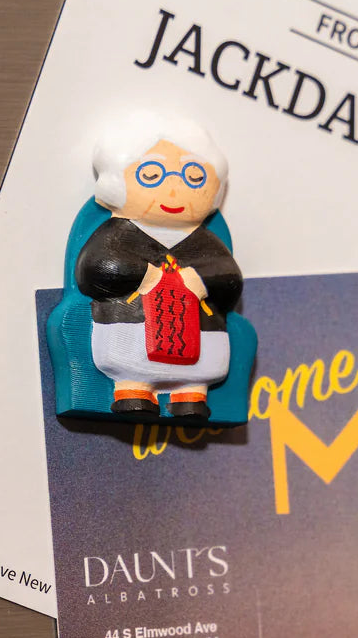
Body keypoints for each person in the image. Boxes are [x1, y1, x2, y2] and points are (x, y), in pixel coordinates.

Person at [74, 112, 242, 421]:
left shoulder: (205, 242)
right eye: (151, 175)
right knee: (130, 361)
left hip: (200, 328)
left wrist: (201, 280)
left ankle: (191, 396)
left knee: (200, 367)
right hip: (132, 320)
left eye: (194, 178)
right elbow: (96, 267)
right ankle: (133, 391)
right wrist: (142, 274)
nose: (174, 191)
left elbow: (229, 278)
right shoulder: (118, 234)